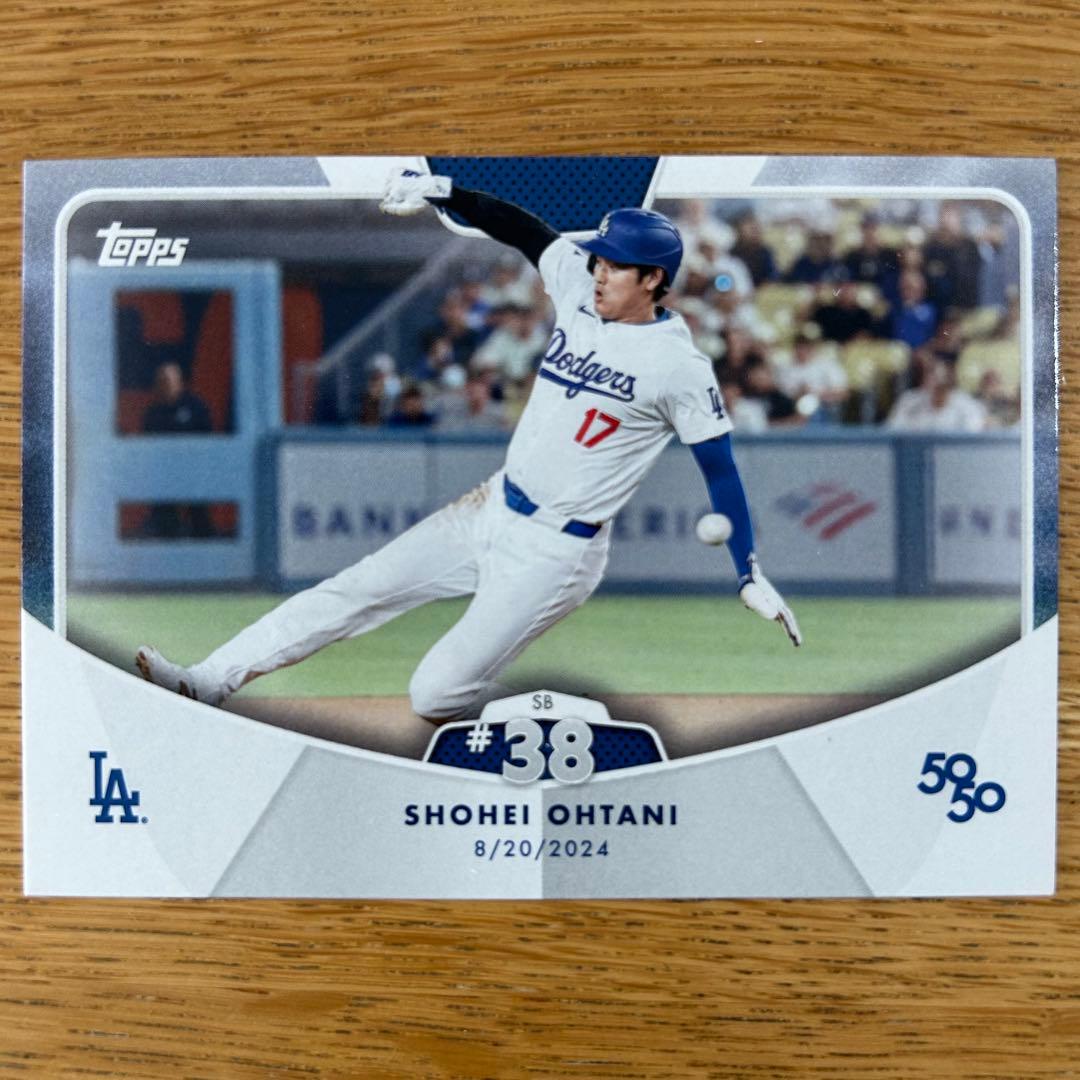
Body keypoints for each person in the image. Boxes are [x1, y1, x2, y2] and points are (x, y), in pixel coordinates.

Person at [136, 169, 800, 723]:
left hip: (557, 552)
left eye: (616, 265)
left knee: (434, 695)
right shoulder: (581, 288)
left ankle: (568, 723)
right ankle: (207, 680)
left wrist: (747, 570)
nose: (598, 272)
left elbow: (721, 470)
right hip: (491, 506)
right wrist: (446, 190)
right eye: (598, 258)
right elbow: (525, 230)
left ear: (654, 278)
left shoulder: (678, 366)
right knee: (354, 589)